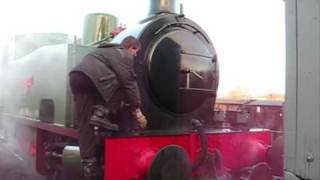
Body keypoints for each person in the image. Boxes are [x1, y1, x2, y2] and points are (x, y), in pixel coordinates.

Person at [69, 36, 147, 180]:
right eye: (136, 51)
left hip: (76, 77)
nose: (136, 55)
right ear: (131, 48)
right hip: (92, 78)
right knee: (125, 82)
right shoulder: (123, 54)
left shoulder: (104, 51)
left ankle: (89, 165)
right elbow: (129, 82)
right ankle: (101, 114)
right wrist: (137, 108)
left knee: (84, 124)